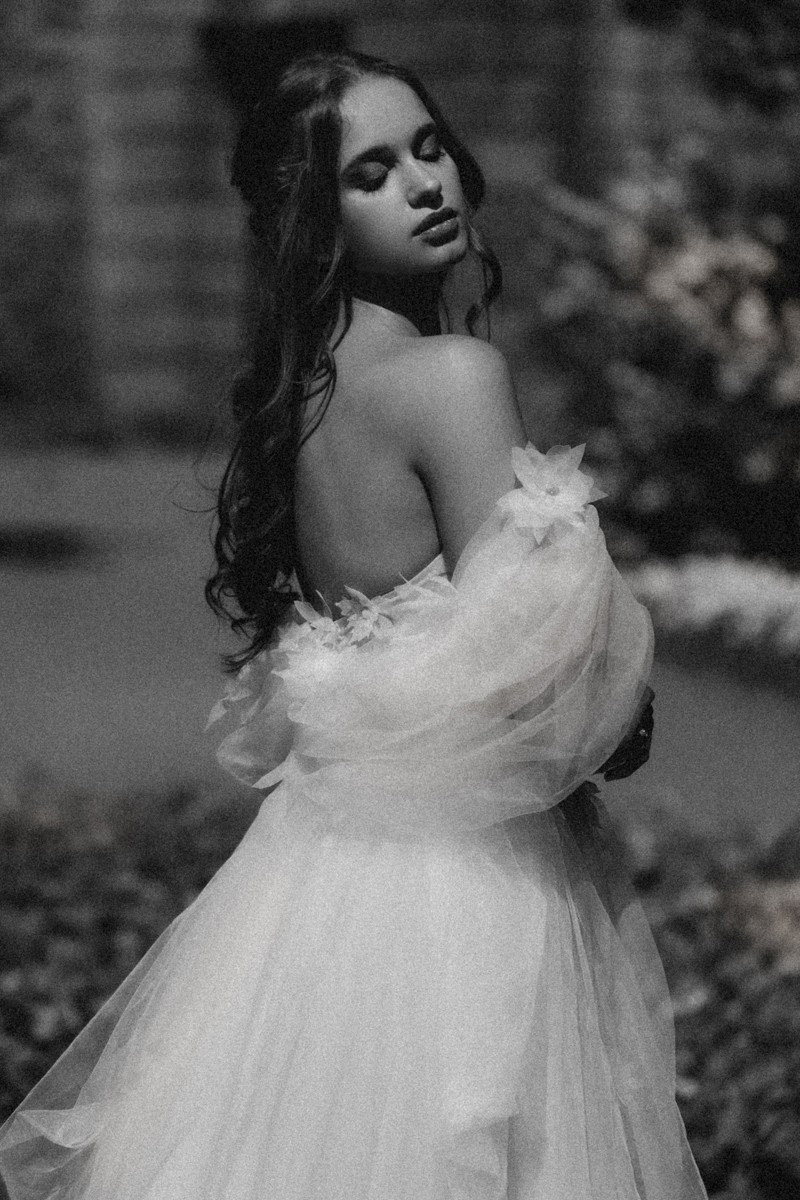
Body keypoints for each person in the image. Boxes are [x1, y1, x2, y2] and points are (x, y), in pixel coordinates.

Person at [0, 51, 707, 1200]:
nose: (424, 184)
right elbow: (528, 670)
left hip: (317, 878)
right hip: (469, 887)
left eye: (428, 149)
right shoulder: (452, 376)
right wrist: (617, 714)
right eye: (370, 173)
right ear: (314, 220)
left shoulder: (306, 397)